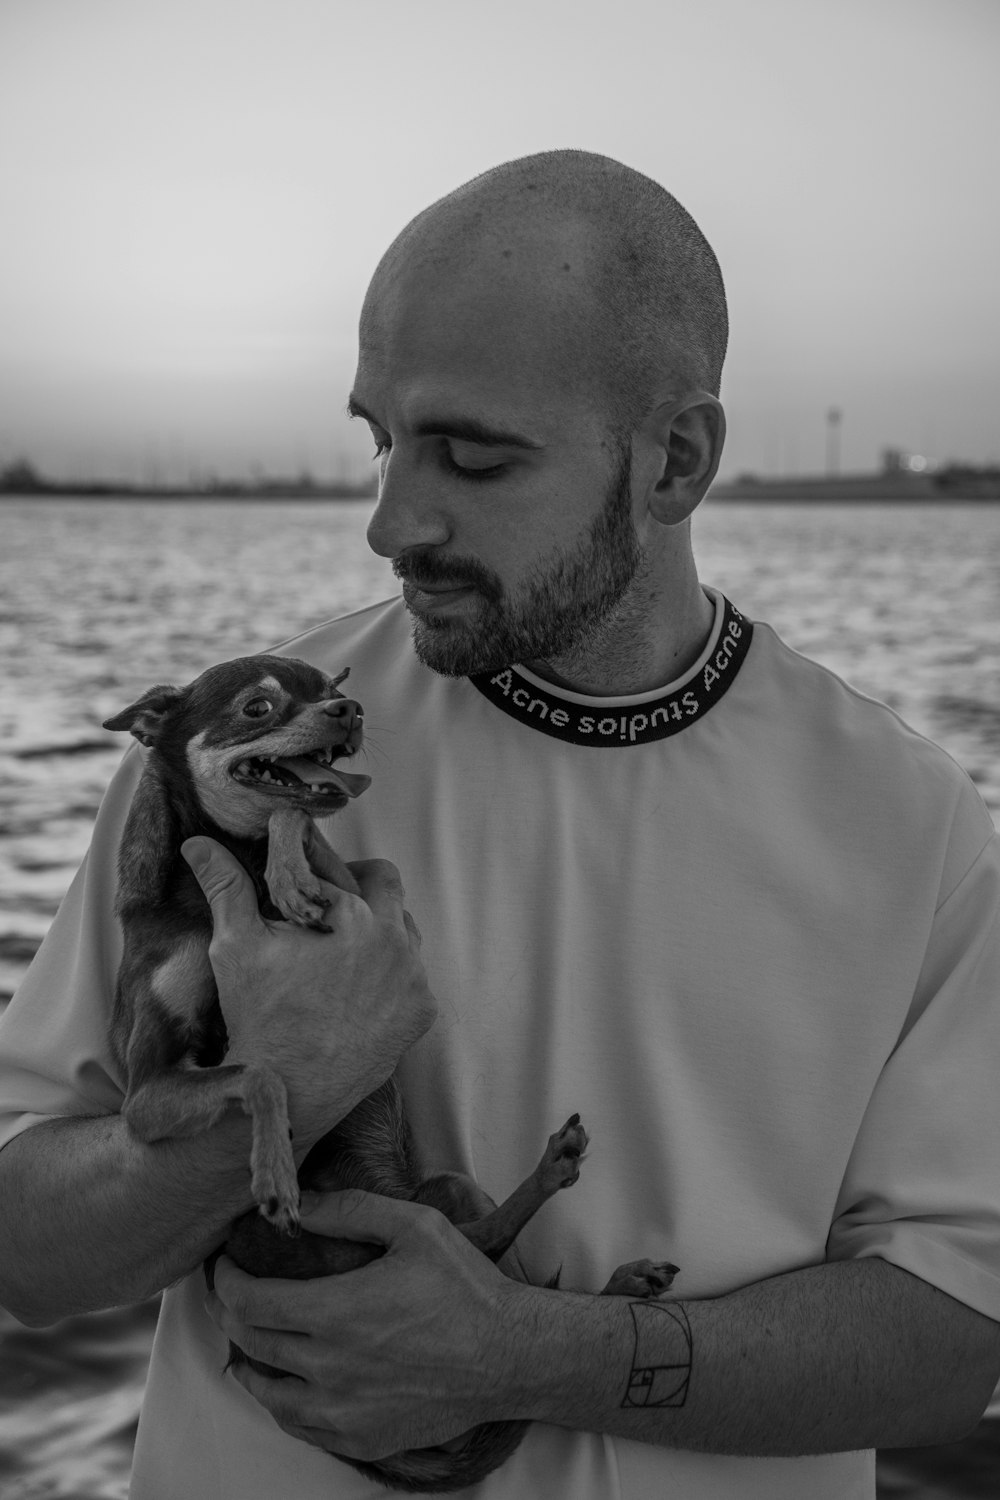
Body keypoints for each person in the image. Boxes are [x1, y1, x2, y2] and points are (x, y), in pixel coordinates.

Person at [1, 149, 999, 1500]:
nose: (390, 519)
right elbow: (27, 1245)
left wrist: (530, 1355)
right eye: (382, 439)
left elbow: (953, 1344)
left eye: (473, 456)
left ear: (677, 463)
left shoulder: (911, 828)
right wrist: (274, 1094)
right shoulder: (235, 761)